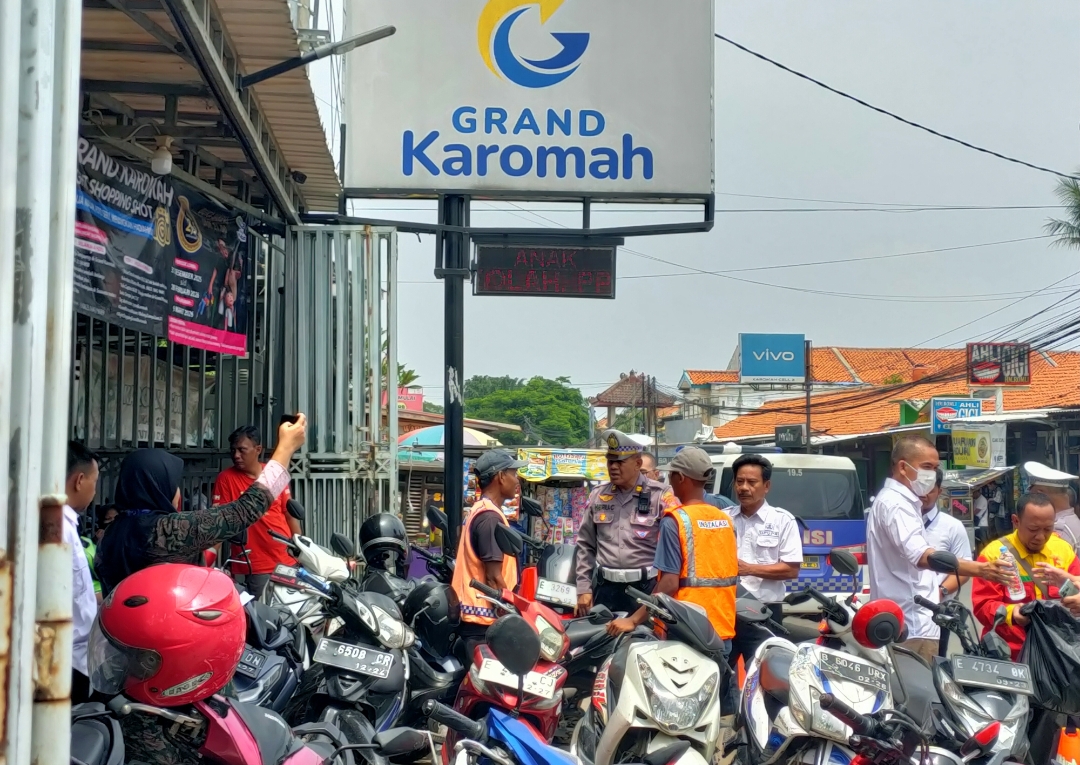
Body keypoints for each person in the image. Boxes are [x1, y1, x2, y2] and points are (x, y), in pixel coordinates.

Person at [95, 415, 307, 595]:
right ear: (159, 488)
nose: (178, 491)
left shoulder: (110, 535)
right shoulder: (169, 530)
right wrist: (285, 448)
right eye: (173, 484)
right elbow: (246, 509)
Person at [866, 435, 1012, 663]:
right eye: (926, 467)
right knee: (920, 694)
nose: (932, 474)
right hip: (912, 625)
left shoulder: (896, 502)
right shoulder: (898, 505)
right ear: (903, 467)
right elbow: (923, 556)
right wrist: (981, 569)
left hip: (907, 620)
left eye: (935, 468)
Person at [576, 430, 679, 615]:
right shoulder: (598, 496)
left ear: (637, 463)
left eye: (620, 461)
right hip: (605, 588)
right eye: (610, 461)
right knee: (602, 641)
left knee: (644, 642)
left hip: (645, 590)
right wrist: (583, 588)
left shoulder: (661, 495)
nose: (613, 467)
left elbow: (676, 546)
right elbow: (585, 545)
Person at [972, 492, 1080, 660]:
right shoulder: (993, 555)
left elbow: (1077, 588)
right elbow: (983, 606)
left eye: (1048, 529)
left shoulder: (1063, 550)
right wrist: (1011, 613)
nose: (1040, 537)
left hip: (1058, 654)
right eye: (1033, 529)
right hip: (1011, 654)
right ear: (1016, 521)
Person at [726, 454, 802, 667]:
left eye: (752, 482)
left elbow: (791, 569)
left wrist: (748, 569)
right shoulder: (723, 518)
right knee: (722, 675)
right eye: (739, 481)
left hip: (765, 611)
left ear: (766, 486)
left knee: (767, 676)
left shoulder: (782, 520)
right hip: (727, 610)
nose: (744, 488)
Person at [452, 449, 525, 660]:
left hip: (476, 621)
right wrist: (517, 612)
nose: (517, 480)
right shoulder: (489, 518)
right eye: (514, 473)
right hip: (482, 625)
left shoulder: (480, 510)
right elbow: (493, 577)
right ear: (501, 476)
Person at [214, 425, 301, 599]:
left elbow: (289, 513)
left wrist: (301, 550)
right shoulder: (226, 479)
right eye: (233, 450)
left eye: (242, 450)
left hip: (286, 560)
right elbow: (218, 522)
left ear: (258, 449)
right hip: (255, 565)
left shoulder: (273, 473)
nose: (236, 455)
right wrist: (210, 560)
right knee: (266, 617)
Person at [920, 469, 972, 656]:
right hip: (902, 607)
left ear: (939, 491)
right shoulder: (899, 522)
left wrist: (940, 592)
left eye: (929, 489)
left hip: (937, 610)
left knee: (934, 663)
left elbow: (964, 568)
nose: (923, 494)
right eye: (919, 488)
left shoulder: (952, 527)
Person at [65, 441, 100, 705]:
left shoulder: (66, 525)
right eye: (94, 482)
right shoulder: (57, 529)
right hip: (65, 661)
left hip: (78, 657)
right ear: (79, 481)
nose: (95, 491)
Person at [973, 486, 990, 552]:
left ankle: (987, 553)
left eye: (973, 493)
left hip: (982, 524)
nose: (973, 495)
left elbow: (975, 512)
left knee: (984, 540)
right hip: (978, 523)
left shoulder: (982, 500)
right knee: (979, 540)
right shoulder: (977, 499)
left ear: (977, 492)